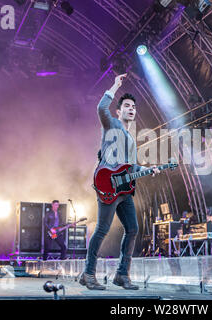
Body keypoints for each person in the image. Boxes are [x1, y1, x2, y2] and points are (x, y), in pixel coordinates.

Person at [79, 73, 160, 290]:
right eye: (127, 105)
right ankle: (88, 273)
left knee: (132, 229)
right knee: (102, 230)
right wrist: (114, 86)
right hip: (107, 185)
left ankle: (122, 275)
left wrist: (147, 169)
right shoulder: (111, 124)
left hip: (124, 190)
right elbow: (100, 109)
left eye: (133, 106)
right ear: (119, 110)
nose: (131, 109)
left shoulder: (132, 140)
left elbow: (130, 166)